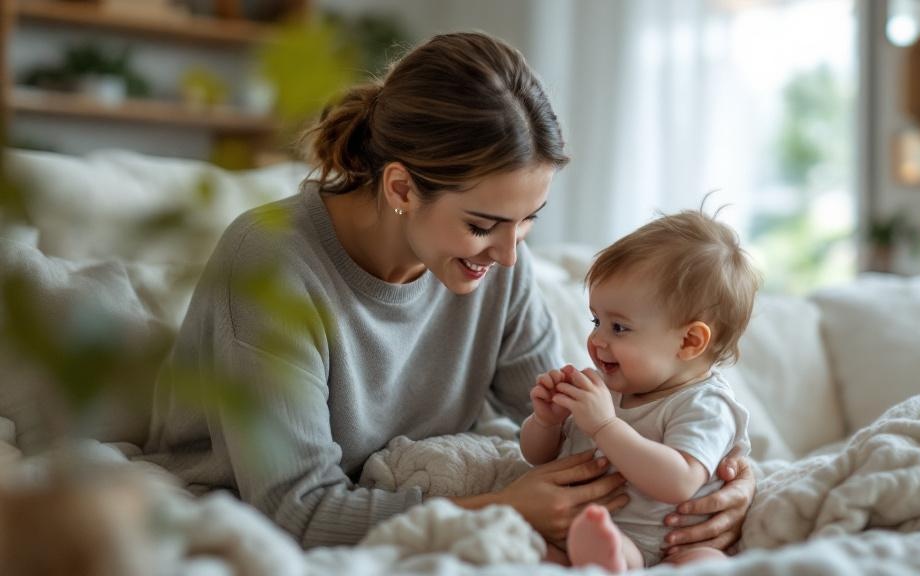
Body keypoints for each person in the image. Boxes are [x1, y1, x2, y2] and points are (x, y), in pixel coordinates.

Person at [140, 31, 755, 556]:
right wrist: (501, 509)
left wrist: (724, 478)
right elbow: (293, 511)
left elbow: (583, 424)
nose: (513, 256)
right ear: (402, 188)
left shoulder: (497, 264)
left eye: (530, 220)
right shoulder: (273, 263)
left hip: (414, 498)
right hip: (246, 516)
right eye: (484, 225)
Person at [521, 208, 760, 571]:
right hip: (588, 529)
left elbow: (679, 481)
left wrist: (605, 426)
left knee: (706, 563)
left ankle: (611, 558)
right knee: (528, 545)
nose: (597, 339)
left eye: (619, 328)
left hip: (672, 542)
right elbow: (537, 458)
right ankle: (604, 557)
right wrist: (547, 423)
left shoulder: (706, 405)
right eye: (596, 320)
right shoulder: (604, 388)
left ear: (689, 341)